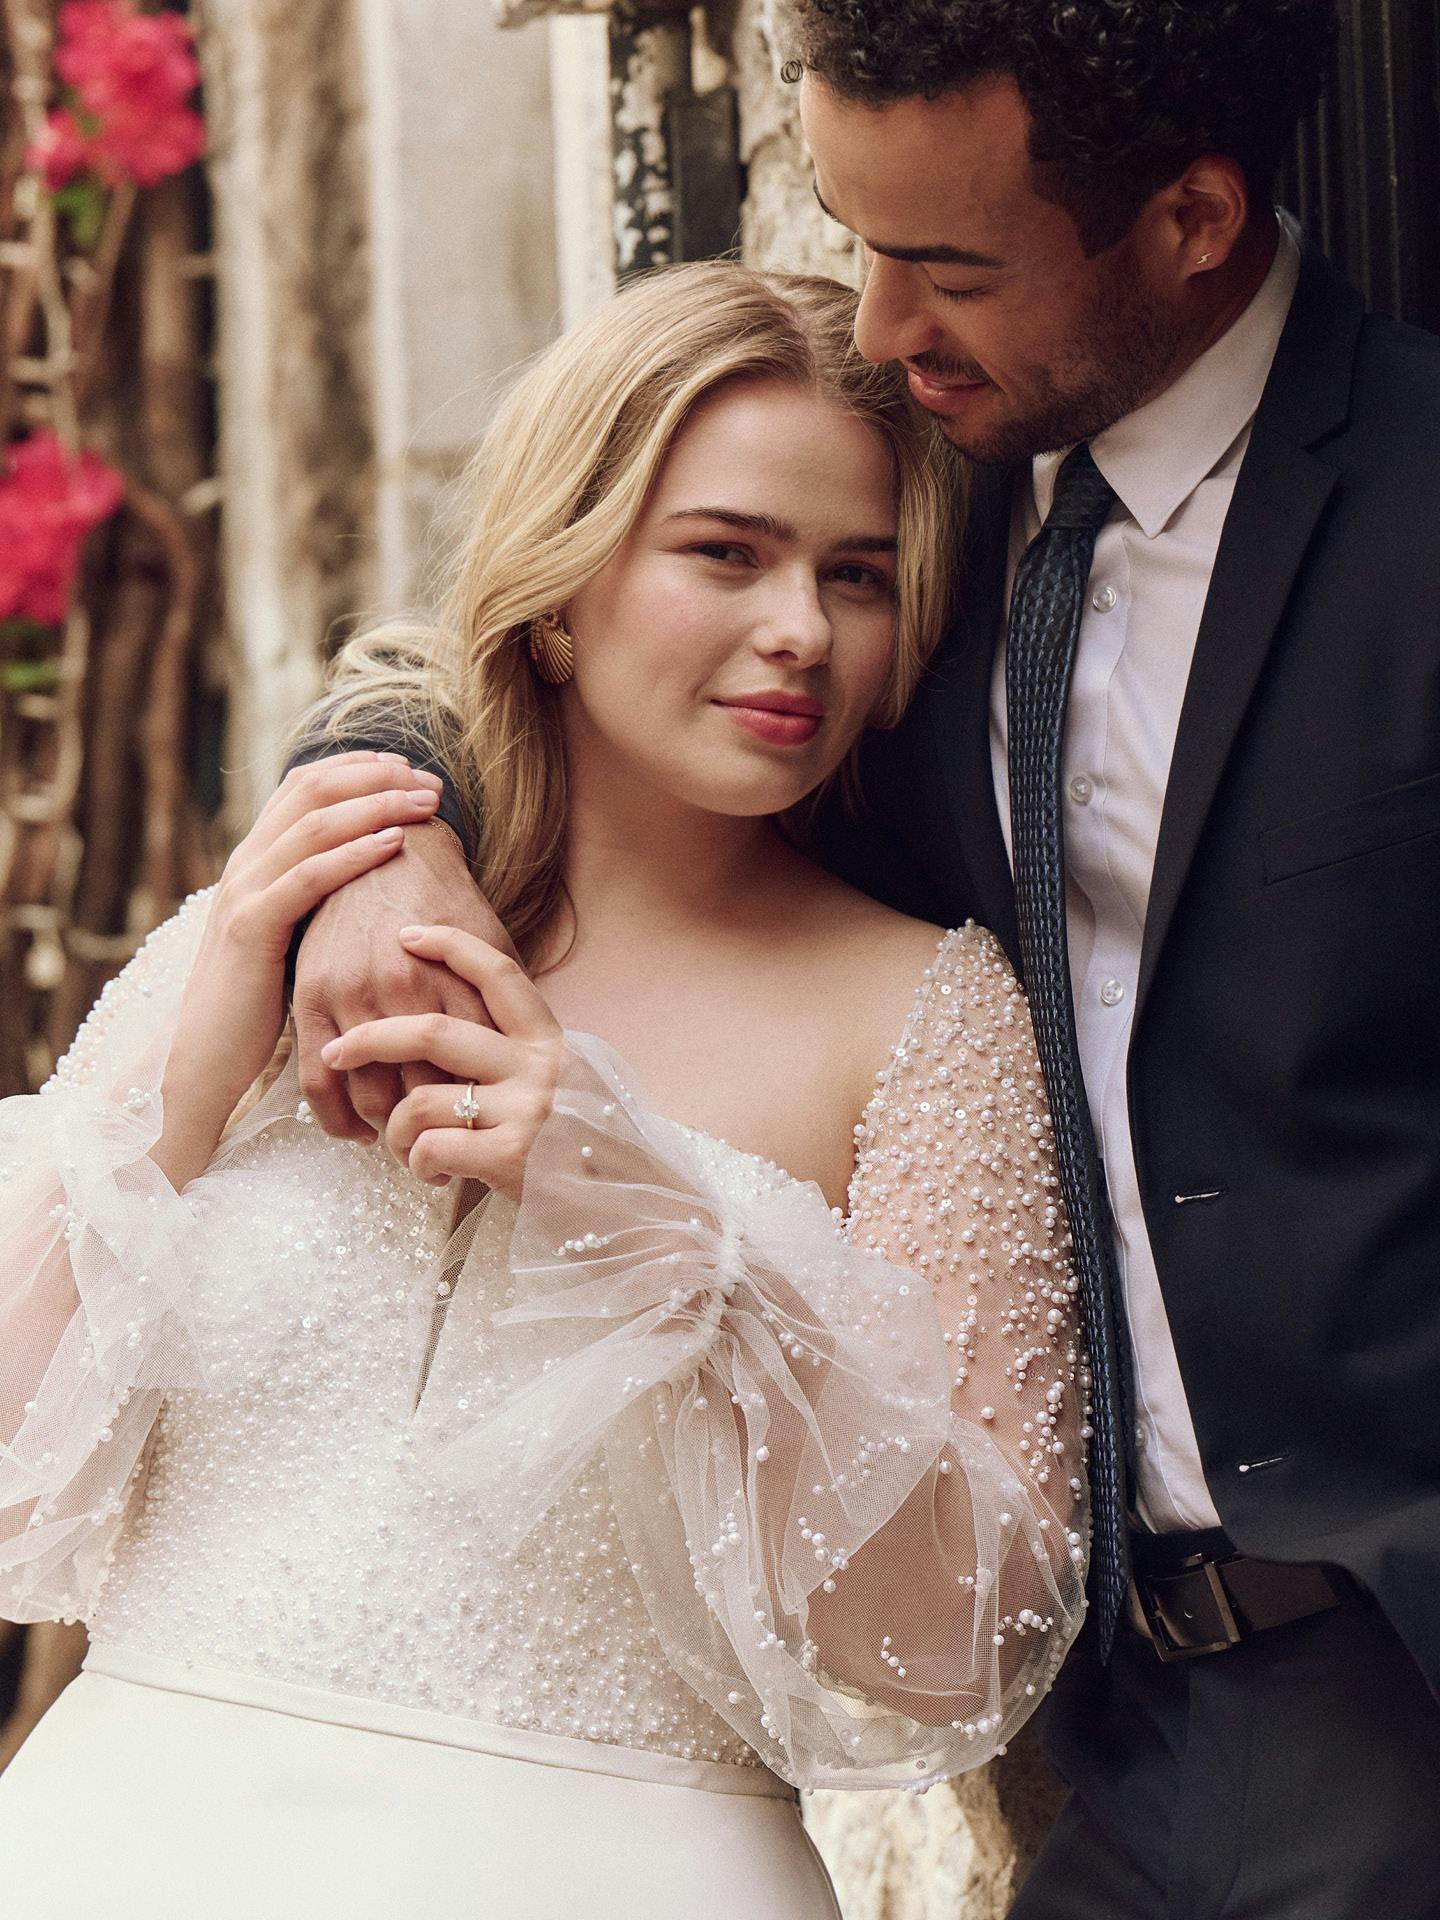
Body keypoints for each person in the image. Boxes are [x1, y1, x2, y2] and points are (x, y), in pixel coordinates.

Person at [290, 3, 1440, 1913]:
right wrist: (377, 824)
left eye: (953, 267)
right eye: (859, 237)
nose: (889, 328)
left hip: (1386, 1668)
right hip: (1093, 1733)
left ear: (1193, 221)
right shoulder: (920, 498)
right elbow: (527, 623)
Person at [0, 265, 1088, 1919]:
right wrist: (194, 1056)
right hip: (115, 1853)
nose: (799, 627)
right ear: (564, 582)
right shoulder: (306, 907)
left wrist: (666, 1231)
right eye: (726, 552)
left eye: (855, 576)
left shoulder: (927, 1016)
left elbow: (970, 1636)